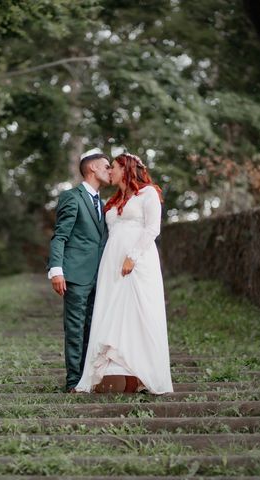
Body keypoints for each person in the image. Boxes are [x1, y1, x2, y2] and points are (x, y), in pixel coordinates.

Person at [75, 152, 173, 394]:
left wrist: (132, 257)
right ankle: (111, 375)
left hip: (138, 263)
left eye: (114, 167)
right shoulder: (115, 199)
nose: (110, 172)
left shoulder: (148, 193)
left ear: (126, 169)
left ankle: (142, 375)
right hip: (112, 266)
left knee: (139, 315)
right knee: (113, 315)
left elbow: (152, 229)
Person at [48, 148, 111, 393]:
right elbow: (60, 236)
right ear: (92, 167)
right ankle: (74, 382)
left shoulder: (103, 203)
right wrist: (56, 270)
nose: (110, 171)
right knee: (75, 328)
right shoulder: (72, 197)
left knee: (92, 328)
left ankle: (88, 378)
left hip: (100, 277)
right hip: (75, 275)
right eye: (106, 166)